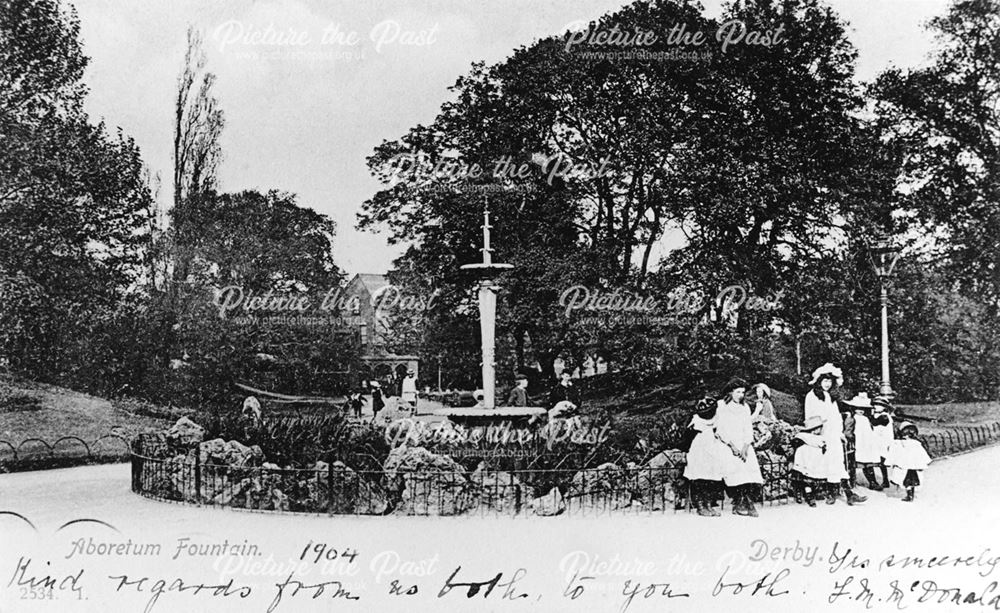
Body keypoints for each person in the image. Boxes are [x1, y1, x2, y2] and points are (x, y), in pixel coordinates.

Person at [803, 364, 867, 505]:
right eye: (825, 381)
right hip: (821, 433)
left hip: (832, 433)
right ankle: (831, 493)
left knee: (837, 463)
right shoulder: (812, 396)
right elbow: (810, 417)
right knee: (826, 464)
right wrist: (817, 433)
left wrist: (839, 433)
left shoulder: (830, 397)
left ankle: (846, 494)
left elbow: (836, 416)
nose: (827, 384)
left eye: (830, 381)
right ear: (819, 381)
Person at [715, 378, 763, 517]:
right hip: (726, 443)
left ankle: (746, 500)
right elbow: (720, 429)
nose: (740, 395)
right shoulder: (722, 406)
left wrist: (746, 446)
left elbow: (748, 427)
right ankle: (740, 501)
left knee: (749, 464)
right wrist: (733, 446)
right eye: (737, 392)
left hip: (743, 443)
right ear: (730, 392)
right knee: (734, 465)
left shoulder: (745, 407)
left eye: (742, 392)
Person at [683, 396, 728, 517]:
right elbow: (687, 438)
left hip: (712, 450)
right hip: (698, 451)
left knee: (711, 478)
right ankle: (700, 506)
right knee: (700, 478)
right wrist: (685, 452)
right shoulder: (695, 420)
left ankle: (708, 504)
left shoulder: (716, 418)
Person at [885, 421, 931, 502]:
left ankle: (910, 495)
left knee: (910, 481)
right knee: (904, 480)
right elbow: (894, 453)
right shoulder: (898, 443)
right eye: (905, 434)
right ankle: (909, 494)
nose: (907, 436)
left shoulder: (916, 444)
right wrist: (891, 461)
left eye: (910, 434)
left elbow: (921, 453)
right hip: (904, 466)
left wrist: (922, 463)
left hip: (912, 466)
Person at [847, 393, 884, 490]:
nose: (861, 411)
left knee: (868, 462)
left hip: (867, 443)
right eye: (858, 408)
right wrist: (852, 440)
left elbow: (870, 431)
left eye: (863, 408)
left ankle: (872, 482)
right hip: (858, 443)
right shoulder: (852, 418)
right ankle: (851, 483)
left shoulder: (866, 419)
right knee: (856, 462)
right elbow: (849, 431)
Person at [789, 415, 827, 507]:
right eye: (819, 428)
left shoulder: (803, 438)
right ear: (814, 430)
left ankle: (808, 496)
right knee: (808, 480)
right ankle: (809, 497)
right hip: (808, 463)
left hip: (806, 464)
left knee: (806, 480)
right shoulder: (814, 439)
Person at [871, 395, 895, 489]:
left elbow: (875, 422)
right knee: (881, 460)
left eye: (879, 405)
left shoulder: (884, 417)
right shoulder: (878, 415)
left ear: (884, 407)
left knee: (882, 460)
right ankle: (885, 480)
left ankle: (886, 480)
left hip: (884, 441)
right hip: (879, 440)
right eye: (875, 404)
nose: (876, 406)